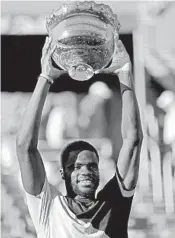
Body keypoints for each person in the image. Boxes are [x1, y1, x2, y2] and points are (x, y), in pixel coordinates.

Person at [16, 36, 143, 238]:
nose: (86, 171)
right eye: (75, 166)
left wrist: (124, 73)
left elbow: (133, 142)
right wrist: (45, 78)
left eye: (92, 165)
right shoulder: (49, 208)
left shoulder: (113, 204)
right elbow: (25, 148)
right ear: (63, 173)